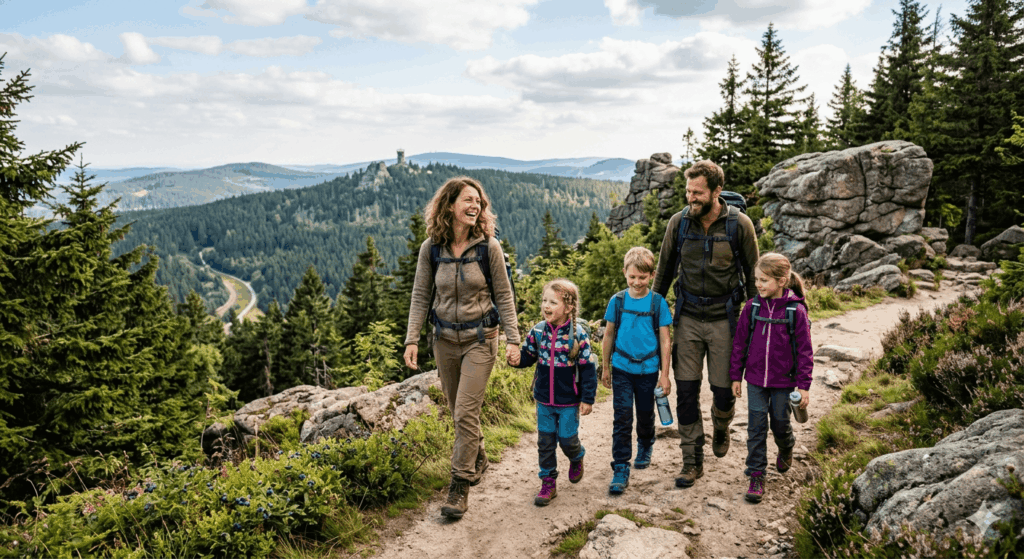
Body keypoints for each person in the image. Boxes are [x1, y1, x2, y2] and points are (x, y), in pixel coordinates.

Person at [404, 176, 520, 520]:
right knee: (458, 413)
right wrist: (412, 338)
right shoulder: (432, 248)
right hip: (444, 341)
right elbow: (421, 295)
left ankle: (459, 486)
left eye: (479, 202)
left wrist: (513, 340)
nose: (475, 207)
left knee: (466, 412)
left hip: (481, 340)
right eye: (468, 200)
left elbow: (504, 297)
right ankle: (478, 454)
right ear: (449, 205)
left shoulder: (489, 248)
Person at [652, 160, 758, 488]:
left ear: (715, 192)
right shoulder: (678, 223)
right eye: (688, 192)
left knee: (724, 392)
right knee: (685, 391)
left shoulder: (740, 225)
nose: (691, 199)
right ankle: (691, 460)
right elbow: (664, 273)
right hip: (686, 318)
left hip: (724, 320)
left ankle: (722, 425)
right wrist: (650, 314)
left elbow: (754, 277)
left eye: (697, 193)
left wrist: (756, 323)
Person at [729, 252, 813, 503]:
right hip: (755, 380)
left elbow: (805, 351)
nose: (759, 285)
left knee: (780, 424)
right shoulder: (751, 308)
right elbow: (739, 344)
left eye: (764, 280)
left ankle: (786, 445)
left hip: (783, 383)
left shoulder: (795, 311)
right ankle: (756, 474)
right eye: (757, 279)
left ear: (782, 281)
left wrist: (804, 386)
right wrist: (736, 376)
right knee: (755, 428)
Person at [508, 278, 596, 506]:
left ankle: (576, 456)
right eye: (544, 301)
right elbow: (528, 356)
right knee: (545, 442)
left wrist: (587, 398)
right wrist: (517, 360)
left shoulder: (577, 335)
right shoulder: (538, 332)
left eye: (553, 302)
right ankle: (548, 482)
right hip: (544, 400)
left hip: (569, 401)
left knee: (567, 439)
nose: (546, 306)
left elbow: (587, 369)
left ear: (568, 308)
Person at [601, 247, 672, 495]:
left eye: (642, 277)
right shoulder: (617, 301)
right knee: (622, 416)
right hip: (621, 368)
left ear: (651, 275)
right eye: (632, 277)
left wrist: (665, 374)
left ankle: (645, 443)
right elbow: (609, 334)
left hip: (649, 370)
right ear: (625, 273)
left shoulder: (658, 303)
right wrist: (606, 367)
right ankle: (620, 466)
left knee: (644, 413)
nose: (637, 282)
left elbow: (665, 340)